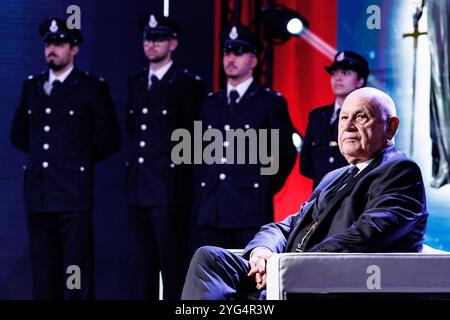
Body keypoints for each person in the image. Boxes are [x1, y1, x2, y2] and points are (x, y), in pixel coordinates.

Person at [182, 87, 428, 300]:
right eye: (344, 118)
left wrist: (287, 265)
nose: (349, 126)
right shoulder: (336, 176)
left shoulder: (399, 172)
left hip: (330, 281)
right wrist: (263, 252)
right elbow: (288, 225)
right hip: (290, 272)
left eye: (361, 117)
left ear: (391, 127)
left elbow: (367, 236)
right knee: (210, 259)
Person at [9, 17, 121, 299]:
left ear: (74, 49)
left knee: (75, 271)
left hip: (73, 194)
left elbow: (110, 139)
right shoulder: (32, 86)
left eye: (59, 43)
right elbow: (18, 133)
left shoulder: (90, 87)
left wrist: (76, 161)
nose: (52, 49)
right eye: (48, 43)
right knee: (43, 273)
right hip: (39, 193)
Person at [191, 25, 297, 251]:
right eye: (227, 52)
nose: (230, 58)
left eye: (238, 52)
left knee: (248, 278)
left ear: (254, 60)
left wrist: (263, 185)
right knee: (213, 279)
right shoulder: (211, 103)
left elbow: (285, 153)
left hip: (250, 207)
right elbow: (199, 151)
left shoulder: (269, 102)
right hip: (213, 207)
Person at [124, 13, 205, 300]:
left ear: (173, 42)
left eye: (158, 38)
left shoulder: (186, 84)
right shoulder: (135, 83)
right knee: (141, 265)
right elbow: (133, 130)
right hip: (138, 187)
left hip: (169, 188)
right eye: (148, 38)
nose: (151, 44)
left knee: (172, 265)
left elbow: (196, 137)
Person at [300, 51, 369, 189]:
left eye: (346, 73)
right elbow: (305, 165)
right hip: (321, 200)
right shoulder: (317, 116)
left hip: (352, 199)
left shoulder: (368, 117)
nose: (338, 78)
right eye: (334, 73)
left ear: (360, 81)